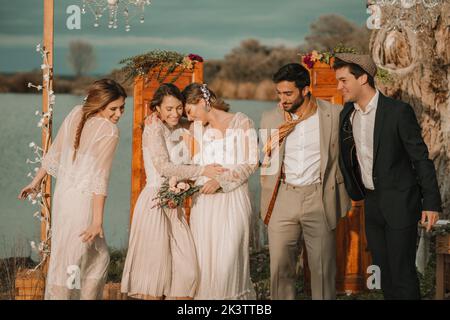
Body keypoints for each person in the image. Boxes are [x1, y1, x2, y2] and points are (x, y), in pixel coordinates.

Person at [334, 53, 442, 299]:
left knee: (402, 274)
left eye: (343, 80)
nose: (339, 86)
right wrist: (355, 189)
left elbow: (420, 159)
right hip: (371, 204)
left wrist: (431, 203)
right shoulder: (347, 115)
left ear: (362, 78)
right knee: (385, 274)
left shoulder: (397, 112)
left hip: (401, 203)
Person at [18, 79, 127, 299]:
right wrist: (97, 220)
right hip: (83, 204)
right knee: (87, 259)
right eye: (113, 108)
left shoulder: (76, 112)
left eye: (122, 108)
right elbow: (100, 178)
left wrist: (36, 181)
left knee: (70, 256)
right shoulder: (110, 131)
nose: (118, 114)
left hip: (63, 200)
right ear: (99, 104)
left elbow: (53, 153)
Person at [120, 83, 225, 300]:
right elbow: (164, 167)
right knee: (154, 275)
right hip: (155, 203)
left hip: (174, 205)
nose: (175, 113)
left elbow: (206, 121)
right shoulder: (153, 129)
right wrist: (203, 170)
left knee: (187, 272)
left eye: (179, 108)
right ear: (156, 108)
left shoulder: (180, 125)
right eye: (169, 109)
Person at [260, 63, 350, 300]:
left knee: (323, 269)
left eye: (288, 93)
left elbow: (350, 155)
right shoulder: (270, 118)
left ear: (306, 89)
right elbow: (267, 161)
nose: (283, 99)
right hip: (282, 197)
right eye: (279, 93)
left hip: (319, 197)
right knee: (280, 270)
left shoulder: (334, 114)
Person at [182, 83, 258, 299]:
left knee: (228, 262)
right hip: (204, 203)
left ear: (202, 102)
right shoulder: (195, 129)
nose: (189, 117)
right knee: (205, 264)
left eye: (190, 111)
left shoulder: (242, 122)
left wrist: (220, 181)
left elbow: (251, 163)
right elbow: (187, 164)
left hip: (233, 199)